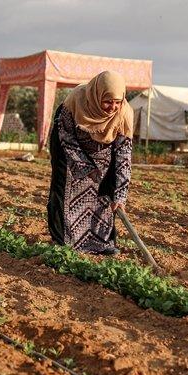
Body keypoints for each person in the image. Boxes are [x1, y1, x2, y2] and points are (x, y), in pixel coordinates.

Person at [47, 70, 133, 255]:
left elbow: (123, 156)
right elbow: (66, 137)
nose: (112, 107)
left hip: (103, 149)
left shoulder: (125, 114)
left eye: (117, 102)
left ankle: (101, 241)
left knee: (106, 189)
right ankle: (64, 240)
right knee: (65, 185)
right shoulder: (75, 102)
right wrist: (85, 167)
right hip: (69, 142)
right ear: (97, 95)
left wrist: (120, 195)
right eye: (108, 101)